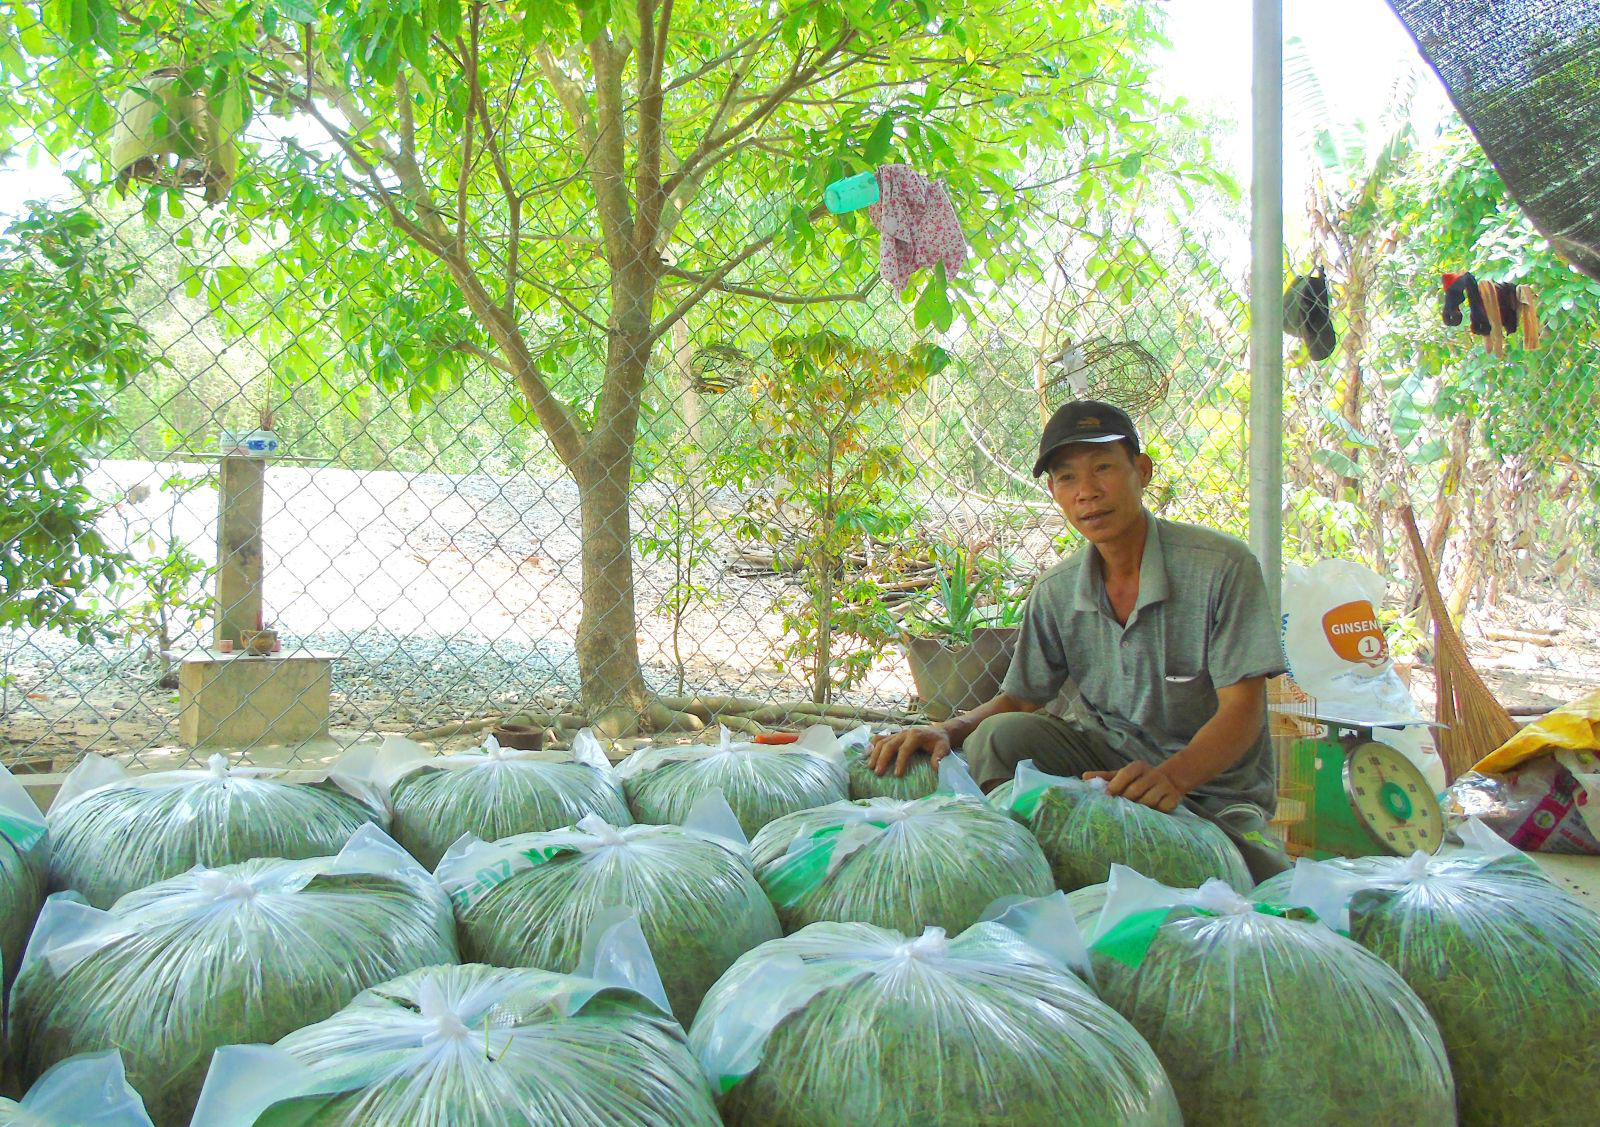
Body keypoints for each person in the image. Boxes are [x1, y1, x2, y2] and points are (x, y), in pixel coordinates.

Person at [869, 399, 1291, 880]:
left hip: (1209, 786)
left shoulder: (1221, 567)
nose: (1087, 492)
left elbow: (1243, 710)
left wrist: (1172, 778)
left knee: (1252, 883)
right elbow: (1020, 700)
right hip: (1106, 764)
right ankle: (1018, 863)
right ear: (1053, 491)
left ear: (1142, 471)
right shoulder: (1058, 589)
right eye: (1067, 478)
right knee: (1001, 736)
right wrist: (949, 728)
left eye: (1104, 468)